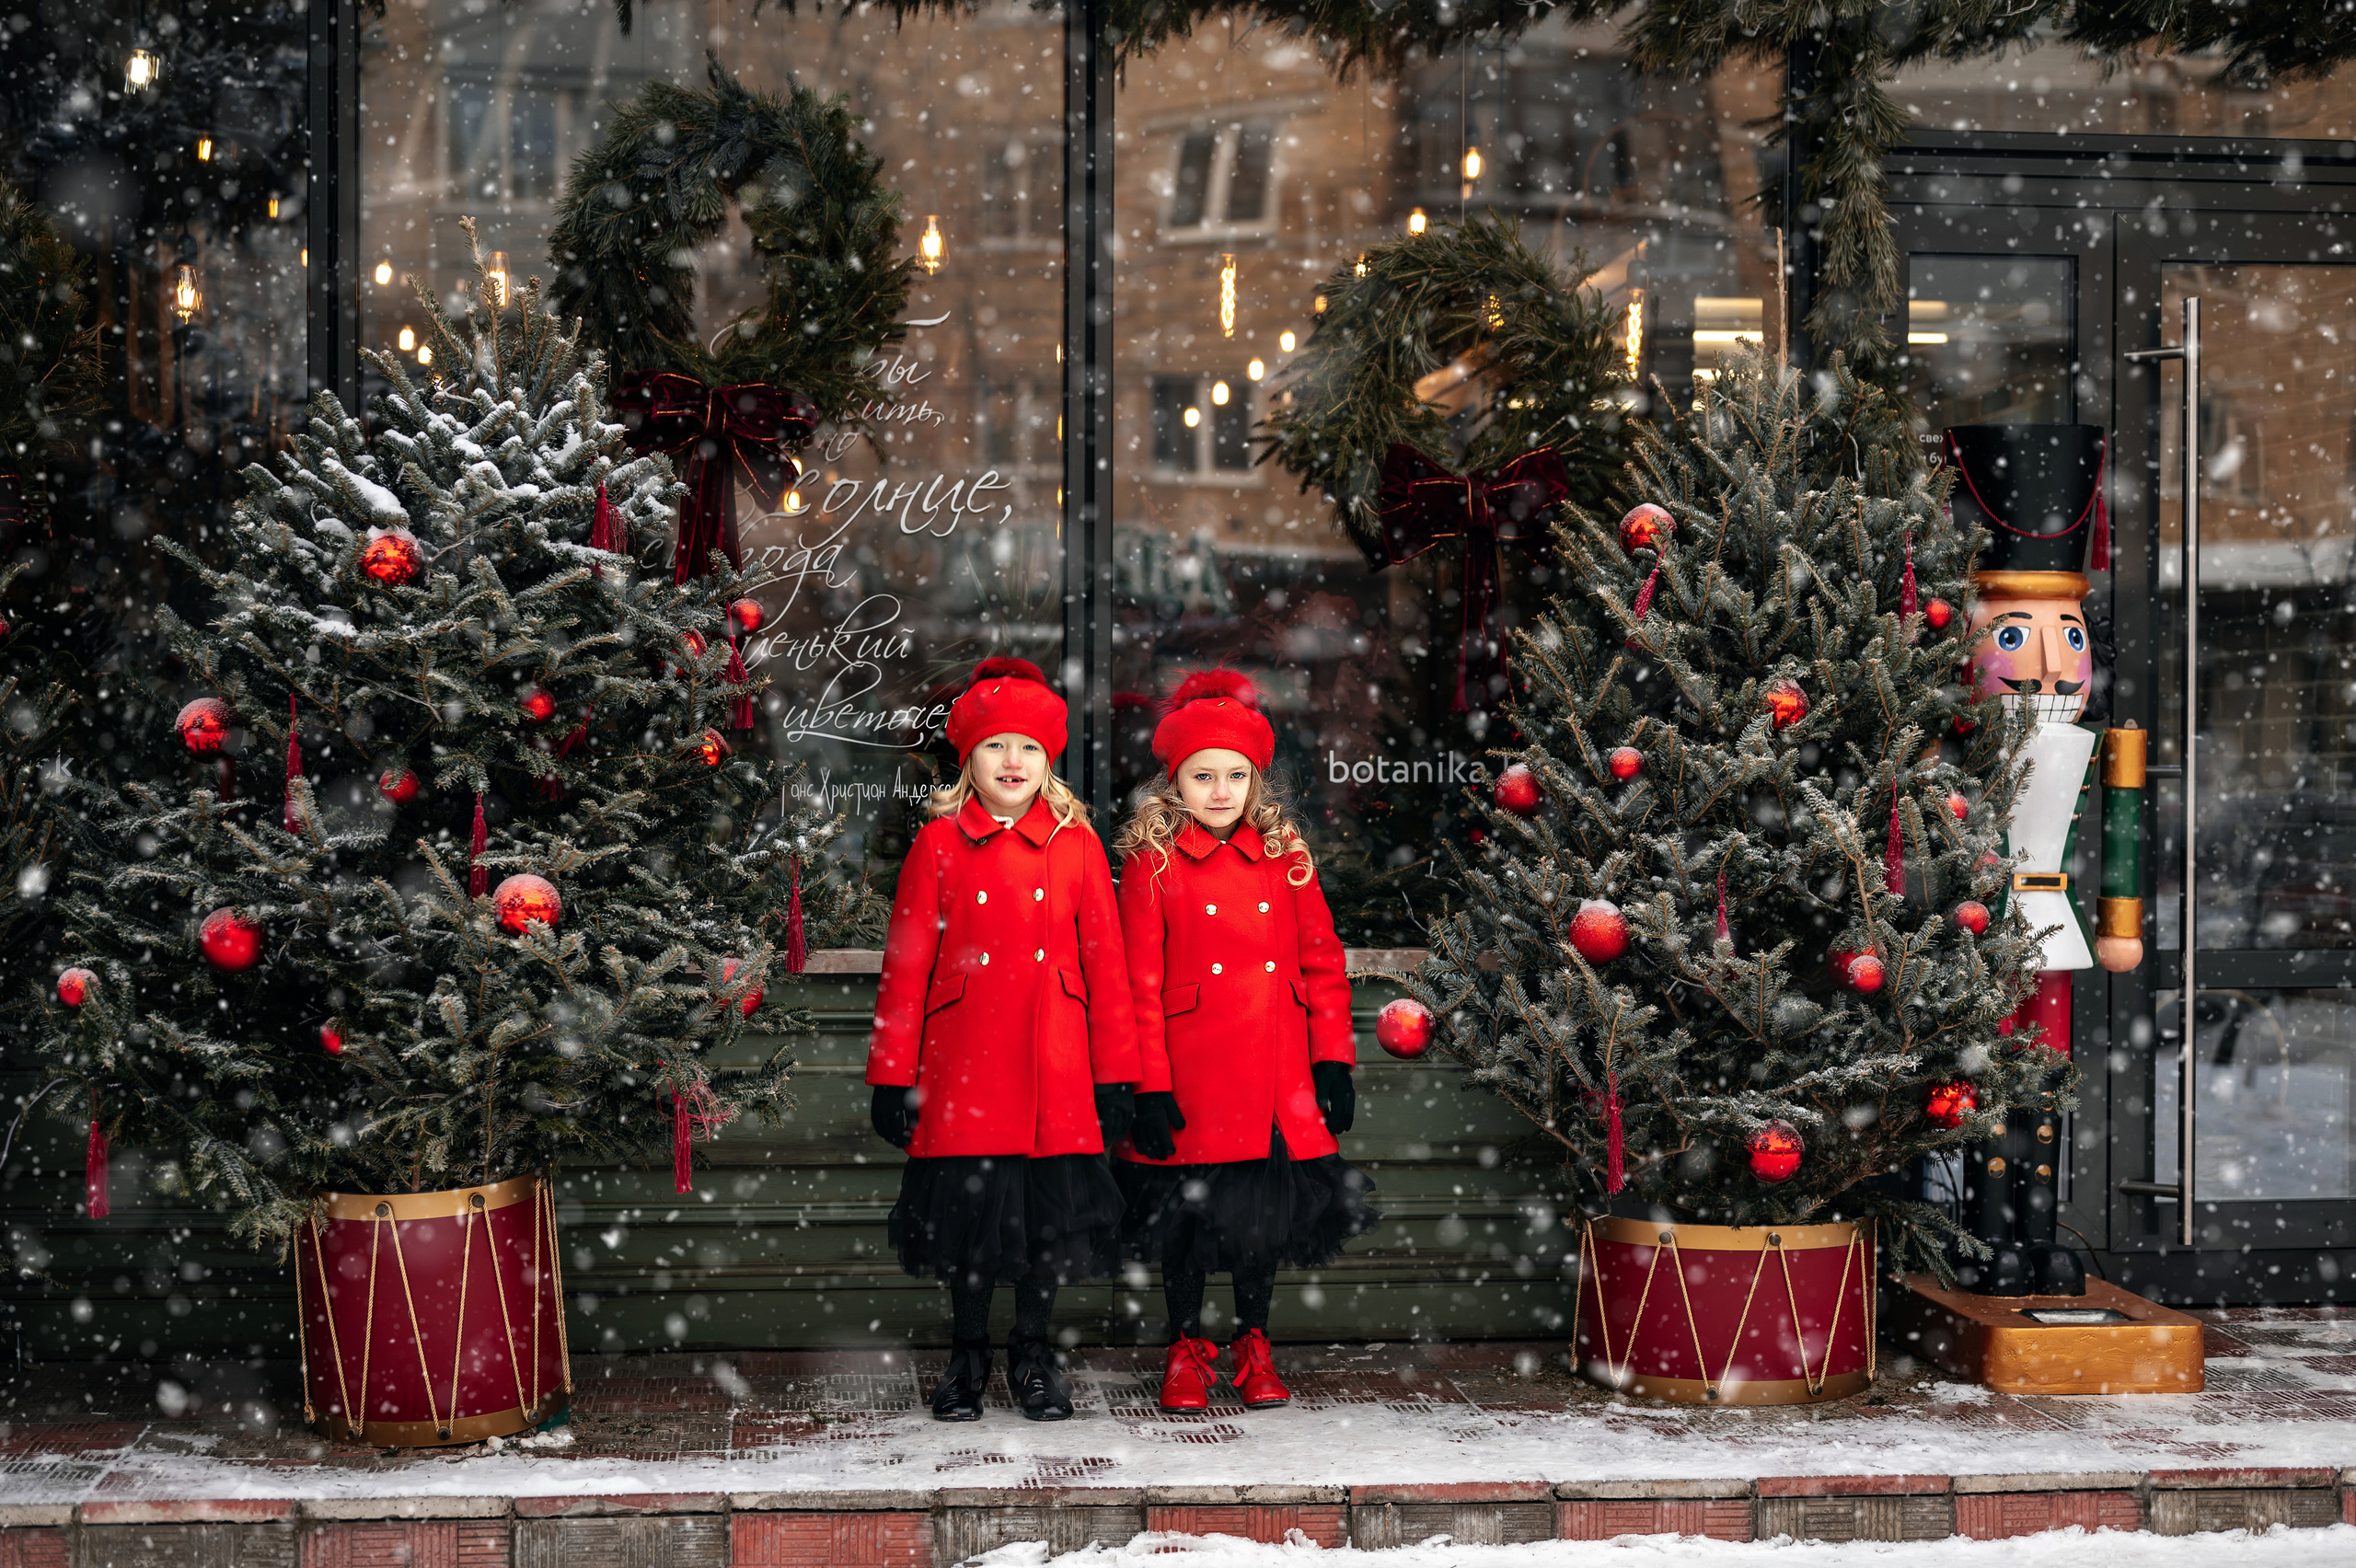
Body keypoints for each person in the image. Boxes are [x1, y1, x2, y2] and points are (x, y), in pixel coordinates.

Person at [867, 657, 1140, 1421]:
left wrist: (1120, 1074)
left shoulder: (1078, 845)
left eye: (1027, 746)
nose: (1012, 762)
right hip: (965, 1064)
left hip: (1056, 1060)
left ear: (1048, 760)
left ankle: (1033, 1352)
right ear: (968, 760)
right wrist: (893, 1075)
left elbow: (1107, 967)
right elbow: (906, 967)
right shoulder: (939, 846)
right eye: (994, 746)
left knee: (1044, 1225)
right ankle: (967, 1356)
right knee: (972, 1226)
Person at [1112, 670, 1378, 1412]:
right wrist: (1149, 1084)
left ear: (1257, 781)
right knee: (1188, 1227)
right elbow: (1139, 982)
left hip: (1275, 1069)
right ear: (1176, 784)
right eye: (1203, 776)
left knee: (1262, 1225)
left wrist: (1332, 1058)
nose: (1221, 790)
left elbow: (1322, 961)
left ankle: (1253, 1340)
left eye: (1236, 775)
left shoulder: (1285, 853)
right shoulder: (1153, 861)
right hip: (1194, 1072)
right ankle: (1185, 1347)